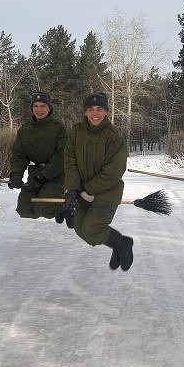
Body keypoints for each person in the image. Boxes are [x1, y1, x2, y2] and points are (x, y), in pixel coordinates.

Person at [62, 92, 133, 271]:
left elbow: (114, 171)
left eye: (99, 109)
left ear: (106, 111)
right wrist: (72, 188)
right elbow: (70, 162)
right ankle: (117, 245)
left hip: (107, 191)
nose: (95, 113)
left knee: (92, 228)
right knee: (80, 228)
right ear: (85, 112)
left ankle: (122, 244)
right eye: (91, 109)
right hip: (82, 190)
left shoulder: (113, 136)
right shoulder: (76, 132)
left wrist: (89, 188)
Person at [8, 91, 68, 224]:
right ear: (32, 108)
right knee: (24, 210)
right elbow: (19, 155)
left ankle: (64, 206)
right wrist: (16, 175)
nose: (39, 110)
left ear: (49, 108)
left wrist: (43, 177)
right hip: (35, 175)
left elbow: (62, 156)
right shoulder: (25, 130)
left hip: (56, 176)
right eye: (36, 106)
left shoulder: (58, 128)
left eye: (43, 106)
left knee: (44, 208)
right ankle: (55, 205)